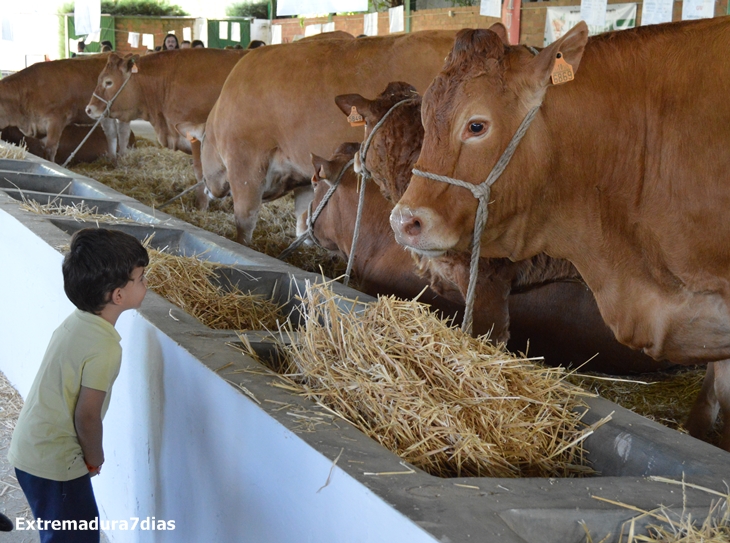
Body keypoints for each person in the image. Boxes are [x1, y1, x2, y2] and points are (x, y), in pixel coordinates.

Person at [8, 228, 149, 543]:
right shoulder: (106, 348)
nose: (146, 284)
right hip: (57, 464)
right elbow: (86, 415)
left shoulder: (77, 322)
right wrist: (95, 457)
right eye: (140, 278)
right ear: (118, 295)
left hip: (31, 449)